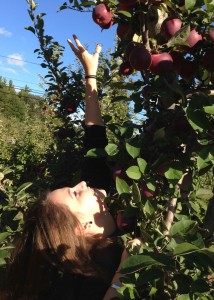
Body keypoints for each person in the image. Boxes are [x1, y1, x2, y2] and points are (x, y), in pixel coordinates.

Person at [1, 35, 129, 300]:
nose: (83, 183)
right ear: (81, 228)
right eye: (75, 192)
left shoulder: (111, 207)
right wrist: (125, 273)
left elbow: (94, 137)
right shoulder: (83, 281)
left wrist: (90, 74)